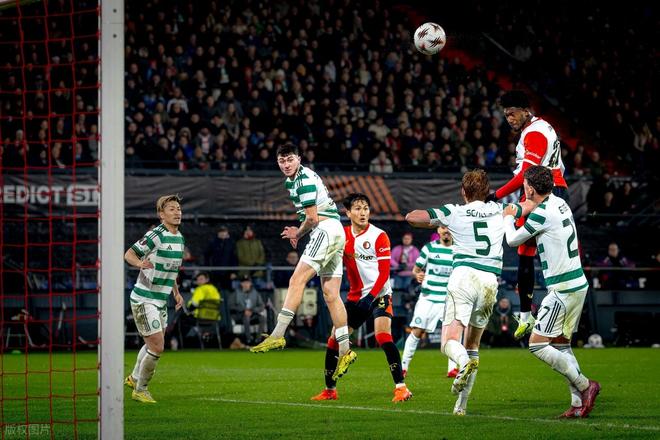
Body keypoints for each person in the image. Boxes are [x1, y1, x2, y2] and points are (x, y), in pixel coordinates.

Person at [405, 169, 522, 416]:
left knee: (449, 341)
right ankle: (461, 406)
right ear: (487, 191)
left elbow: (412, 218)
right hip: (489, 281)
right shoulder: (500, 210)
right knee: (473, 345)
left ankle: (462, 363)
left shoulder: (454, 212)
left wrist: (436, 217)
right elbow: (527, 208)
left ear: (463, 191)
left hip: (463, 278)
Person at [251, 143, 355, 380]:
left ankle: (277, 334)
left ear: (299, 158)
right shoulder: (293, 180)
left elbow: (312, 218)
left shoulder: (303, 180)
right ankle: (345, 350)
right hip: (336, 231)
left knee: (296, 280)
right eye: (282, 161)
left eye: (290, 159)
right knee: (331, 294)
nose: (286, 164)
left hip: (325, 230)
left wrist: (297, 234)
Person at [503, 165, 600, 418]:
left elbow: (512, 240)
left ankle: (585, 386)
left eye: (525, 186)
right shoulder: (560, 203)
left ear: (530, 189)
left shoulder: (542, 214)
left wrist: (508, 216)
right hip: (578, 283)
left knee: (537, 345)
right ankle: (577, 405)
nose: (523, 189)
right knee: (562, 345)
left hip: (562, 288)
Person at [311, 193, 412, 403]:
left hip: (379, 294)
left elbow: (384, 273)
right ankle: (330, 390)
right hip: (356, 297)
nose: (363, 212)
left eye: (366, 208)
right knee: (334, 340)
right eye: (357, 208)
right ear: (348, 213)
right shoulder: (342, 235)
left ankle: (401, 388)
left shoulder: (379, 235)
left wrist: (371, 297)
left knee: (382, 336)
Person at [486, 90, 569, 340]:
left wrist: (497, 194)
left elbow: (525, 173)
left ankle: (532, 315)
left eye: (512, 114)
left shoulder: (534, 133)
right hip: (548, 190)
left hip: (543, 193)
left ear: (525, 111)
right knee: (529, 253)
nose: (509, 119)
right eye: (506, 115)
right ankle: (529, 316)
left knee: (526, 250)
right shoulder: (541, 127)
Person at [123, 194, 185, 404]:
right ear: (161, 215)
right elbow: (129, 254)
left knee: (152, 343)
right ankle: (140, 390)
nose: (177, 212)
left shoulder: (179, 238)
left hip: (161, 299)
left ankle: (134, 377)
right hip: (144, 298)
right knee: (157, 346)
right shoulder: (155, 235)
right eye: (171, 209)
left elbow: (172, 269)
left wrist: (176, 292)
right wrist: (140, 263)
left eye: (178, 209)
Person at [401, 226, 456, 378]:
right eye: (443, 227)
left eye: (448, 227)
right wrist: (417, 275)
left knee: (452, 333)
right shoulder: (429, 248)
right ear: (438, 230)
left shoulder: (459, 250)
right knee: (417, 331)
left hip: (448, 298)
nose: (446, 230)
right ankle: (403, 367)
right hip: (429, 297)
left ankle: (452, 368)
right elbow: (416, 269)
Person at [229, 275, 266, 345]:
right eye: (244, 282)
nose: (246, 284)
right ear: (241, 284)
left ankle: (258, 339)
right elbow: (231, 305)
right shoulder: (236, 293)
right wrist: (243, 310)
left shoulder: (255, 293)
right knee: (246, 317)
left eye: (247, 282)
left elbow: (261, 305)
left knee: (262, 318)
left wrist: (252, 310)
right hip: (239, 315)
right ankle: (249, 339)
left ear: (250, 283)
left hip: (252, 313)